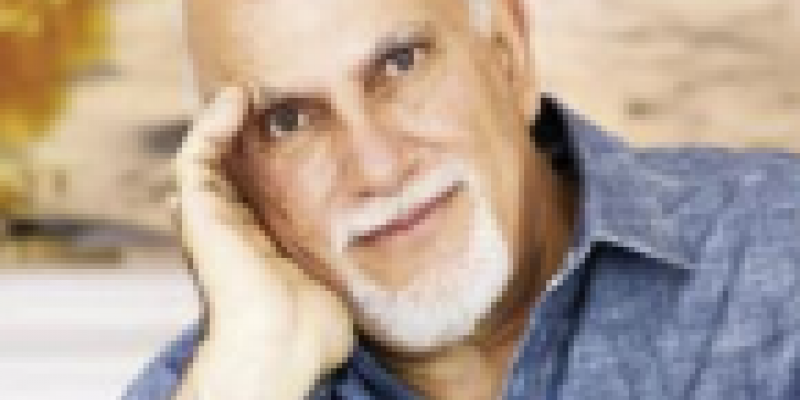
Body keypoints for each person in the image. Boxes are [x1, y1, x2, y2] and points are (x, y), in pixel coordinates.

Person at [124, 0, 800, 398]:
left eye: (401, 64)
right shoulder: (216, 382)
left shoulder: (781, 247)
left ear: (507, 55)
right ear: (239, 179)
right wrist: (250, 373)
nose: (378, 168)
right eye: (289, 121)